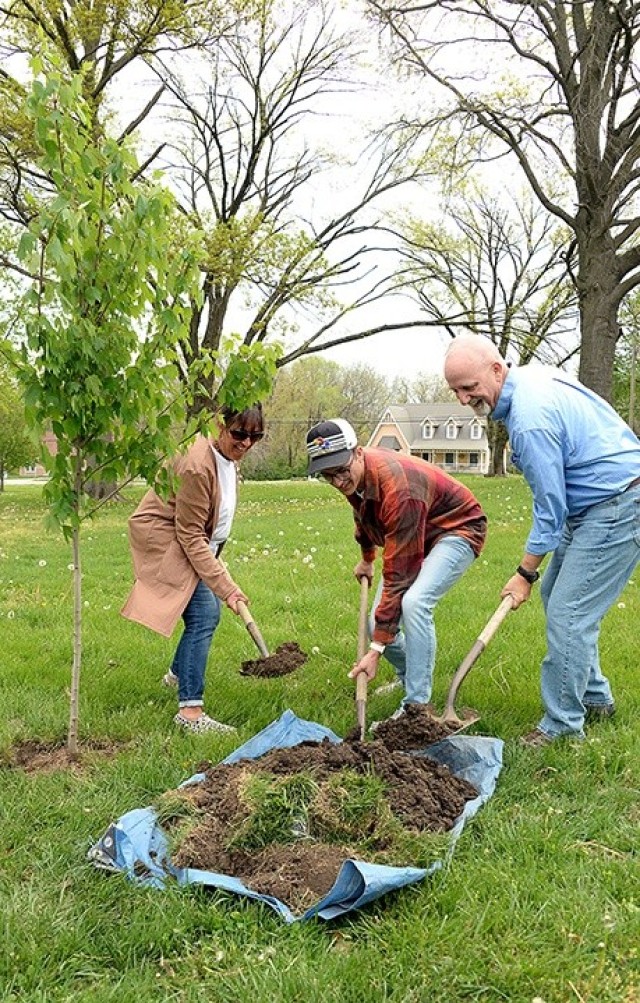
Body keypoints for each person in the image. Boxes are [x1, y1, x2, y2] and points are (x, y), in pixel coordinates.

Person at [444, 335, 640, 746]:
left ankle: (563, 726)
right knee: (560, 599)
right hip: (595, 501)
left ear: (497, 370)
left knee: (570, 613)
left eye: (469, 387)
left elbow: (549, 510)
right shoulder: (531, 378)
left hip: (616, 504)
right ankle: (595, 698)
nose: (464, 399)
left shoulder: (529, 421)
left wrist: (524, 573)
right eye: (455, 391)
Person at [306, 418, 487, 717]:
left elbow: (399, 576)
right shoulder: (356, 478)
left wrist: (376, 650)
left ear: (359, 452)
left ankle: (416, 706)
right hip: (417, 529)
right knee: (377, 624)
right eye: (328, 476)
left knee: (415, 603)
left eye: (341, 470)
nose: (338, 482)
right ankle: (409, 676)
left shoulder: (399, 488)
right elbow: (364, 516)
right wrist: (366, 559)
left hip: (456, 528)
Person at [121, 404, 265, 733]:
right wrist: (226, 587)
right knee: (204, 615)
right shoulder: (198, 466)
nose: (246, 443)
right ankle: (190, 713)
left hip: (194, 542)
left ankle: (175, 675)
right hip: (167, 541)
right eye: (239, 433)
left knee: (206, 614)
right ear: (219, 424)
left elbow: (209, 522)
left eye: (255, 436)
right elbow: (190, 534)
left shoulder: (226, 457)